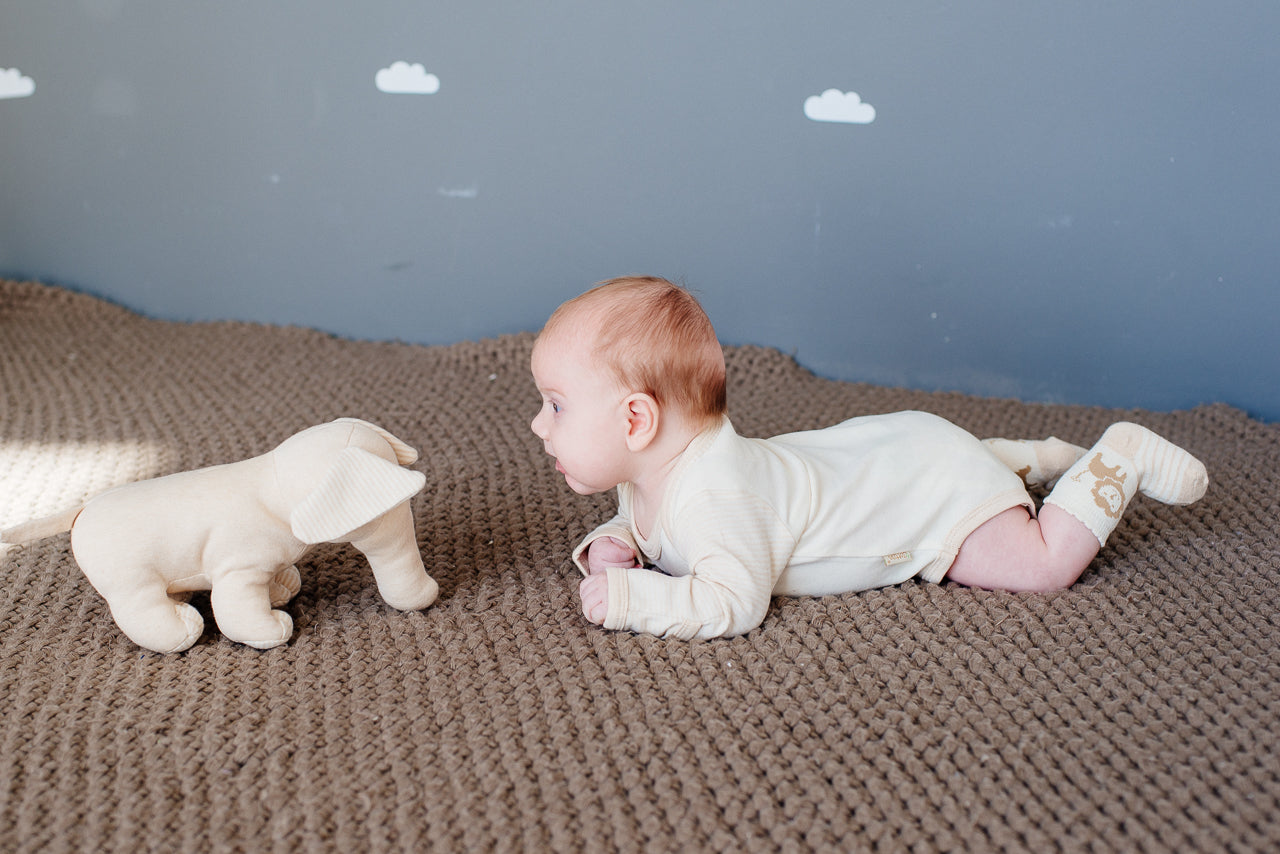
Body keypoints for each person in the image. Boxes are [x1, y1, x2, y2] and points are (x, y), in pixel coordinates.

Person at [529, 276, 1209, 640]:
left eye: (556, 405)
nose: (538, 424)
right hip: (902, 450)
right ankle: (1031, 458)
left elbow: (734, 602)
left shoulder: (717, 499)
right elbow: (654, 525)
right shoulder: (654, 470)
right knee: (956, 459)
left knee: (1040, 565)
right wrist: (617, 543)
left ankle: (1115, 460)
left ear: (637, 420)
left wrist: (633, 595)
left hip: (922, 497)